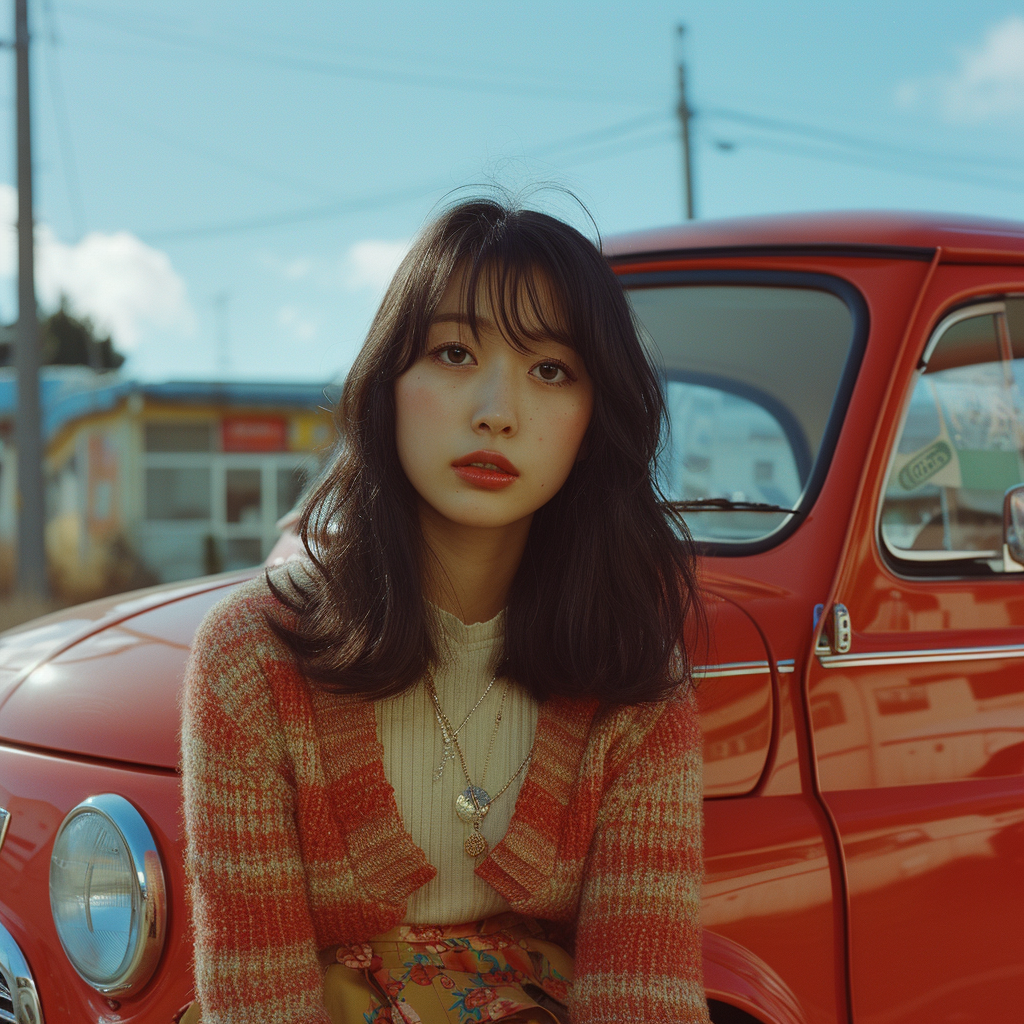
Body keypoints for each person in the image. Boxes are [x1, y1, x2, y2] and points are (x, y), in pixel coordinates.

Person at [180, 195, 709, 1024]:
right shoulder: (255, 657)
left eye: (551, 370)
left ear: (592, 418)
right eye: (455, 352)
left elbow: (644, 993)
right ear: (387, 384)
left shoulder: (634, 672)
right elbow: (257, 1002)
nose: (497, 410)